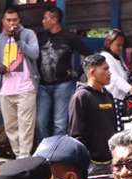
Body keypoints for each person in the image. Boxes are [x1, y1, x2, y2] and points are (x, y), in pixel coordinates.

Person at [36, 6, 93, 140]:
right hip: (43, 85)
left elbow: (89, 54)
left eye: (45, 18)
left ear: (54, 19)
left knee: (60, 122)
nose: (42, 21)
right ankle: (44, 150)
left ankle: (57, 151)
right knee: (40, 121)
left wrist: (77, 72)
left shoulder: (69, 37)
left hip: (63, 85)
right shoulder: (40, 37)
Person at [0, 7, 39, 158]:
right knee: (10, 127)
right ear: (3, 21)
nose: (12, 23)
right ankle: (18, 155)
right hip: (6, 89)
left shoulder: (28, 34)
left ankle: (24, 155)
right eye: (9, 20)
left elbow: (35, 54)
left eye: (15, 20)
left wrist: (19, 41)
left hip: (26, 88)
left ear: (19, 21)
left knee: (26, 125)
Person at [68, 54, 118, 179]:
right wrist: (86, 163)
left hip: (111, 161)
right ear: (92, 72)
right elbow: (76, 135)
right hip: (92, 166)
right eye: (105, 69)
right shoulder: (81, 97)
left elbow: (113, 127)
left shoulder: (108, 95)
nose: (109, 73)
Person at [100, 30, 132, 111]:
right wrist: (131, 89)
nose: (121, 48)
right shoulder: (106, 57)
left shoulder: (118, 58)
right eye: (118, 45)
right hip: (112, 101)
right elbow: (115, 77)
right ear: (109, 43)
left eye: (122, 45)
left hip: (121, 100)